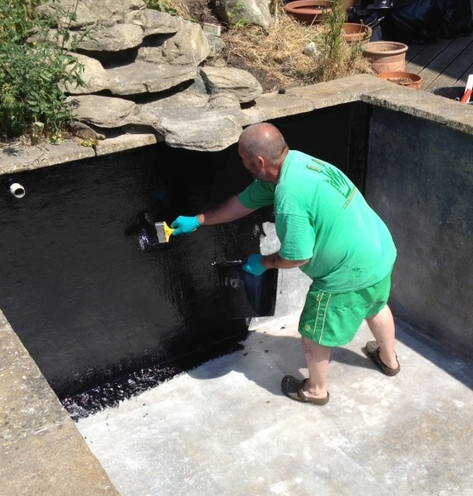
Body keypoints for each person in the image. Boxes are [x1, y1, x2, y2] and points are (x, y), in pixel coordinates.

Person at [170, 122, 399, 405]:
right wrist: (198, 220)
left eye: (242, 159)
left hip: (347, 273)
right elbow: (238, 205)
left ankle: (315, 390)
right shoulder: (297, 164)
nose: (241, 163)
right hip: (379, 250)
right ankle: (389, 360)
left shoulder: (289, 196)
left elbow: (297, 256)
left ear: (260, 162)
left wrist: (264, 262)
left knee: (314, 332)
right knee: (374, 305)